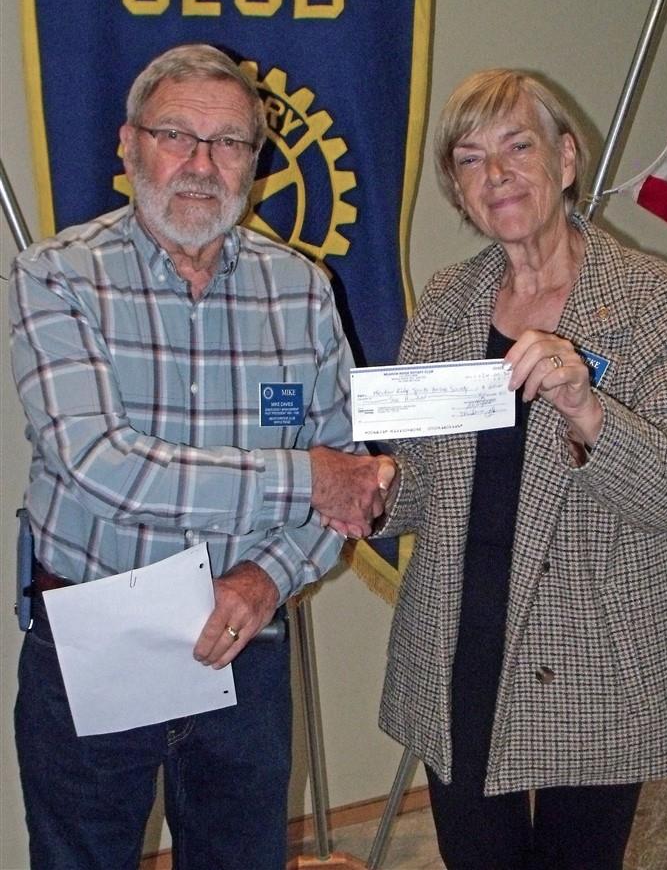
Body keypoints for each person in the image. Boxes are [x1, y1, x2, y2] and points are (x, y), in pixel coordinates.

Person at [10, 43, 394, 870]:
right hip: (95, 634)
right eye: (176, 135)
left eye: (228, 143)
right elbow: (102, 465)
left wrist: (265, 579)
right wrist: (304, 477)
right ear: (129, 145)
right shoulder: (56, 276)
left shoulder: (301, 288)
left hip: (246, 638)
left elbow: (348, 475)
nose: (200, 164)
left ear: (255, 162)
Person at [376, 69, 667, 870]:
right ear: (458, 190)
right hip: (461, 644)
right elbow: (418, 478)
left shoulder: (651, 299)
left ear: (566, 159)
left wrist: (586, 407)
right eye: (470, 159)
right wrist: (374, 490)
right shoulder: (446, 303)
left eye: (517, 147)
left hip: (595, 653)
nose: (495, 174)